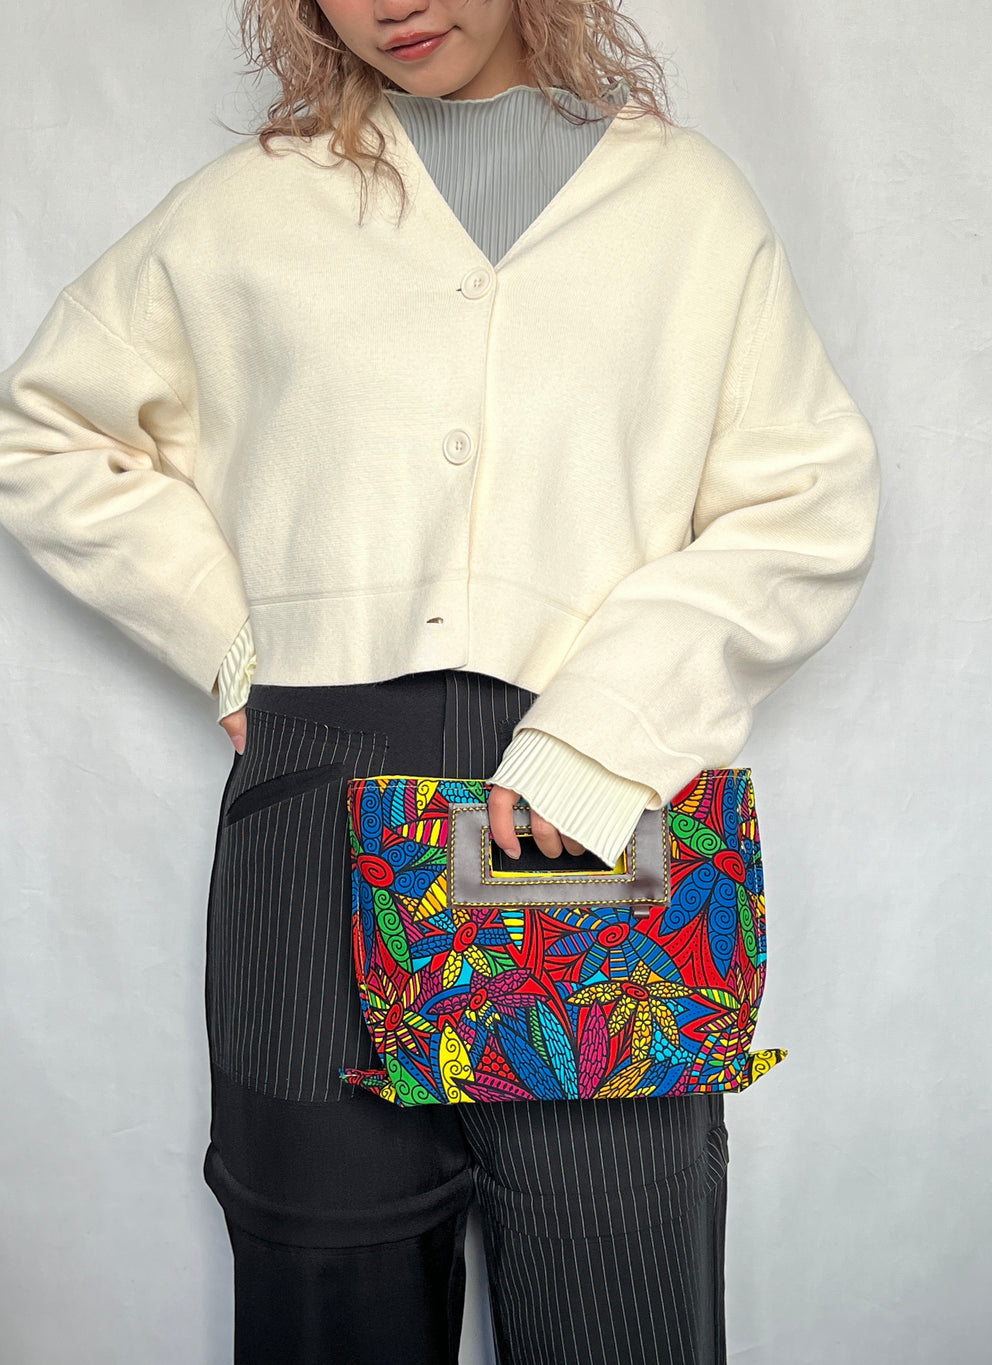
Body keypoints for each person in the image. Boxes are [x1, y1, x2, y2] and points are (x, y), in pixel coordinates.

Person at [0, 2, 881, 1362]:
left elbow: (805, 506)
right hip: (316, 823)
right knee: (326, 1303)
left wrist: (606, 733)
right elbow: (46, 426)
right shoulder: (251, 209)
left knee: (621, 1303)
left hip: (580, 817)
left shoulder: (685, 207)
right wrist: (225, 636)